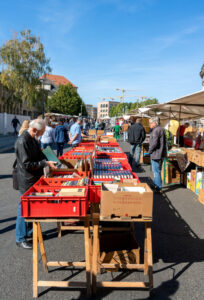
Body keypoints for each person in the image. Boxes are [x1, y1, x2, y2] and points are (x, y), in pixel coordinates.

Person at [15, 119, 57, 249]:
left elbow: (39, 154)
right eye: (42, 132)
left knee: (32, 206)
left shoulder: (33, 138)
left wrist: (51, 159)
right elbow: (27, 164)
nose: (42, 134)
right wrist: (45, 163)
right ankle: (20, 238)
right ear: (34, 129)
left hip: (33, 177)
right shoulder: (23, 141)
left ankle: (30, 232)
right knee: (23, 207)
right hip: (26, 179)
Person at [149, 117, 166, 192]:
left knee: (156, 171)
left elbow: (154, 143)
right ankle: (155, 184)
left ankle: (158, 187)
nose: (149, 124)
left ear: (155, 122)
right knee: (157, 170)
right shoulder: (161, 129)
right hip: (160, 153)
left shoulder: (156, 130)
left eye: (150, 123)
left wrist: (150, 150)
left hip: (156, 153)